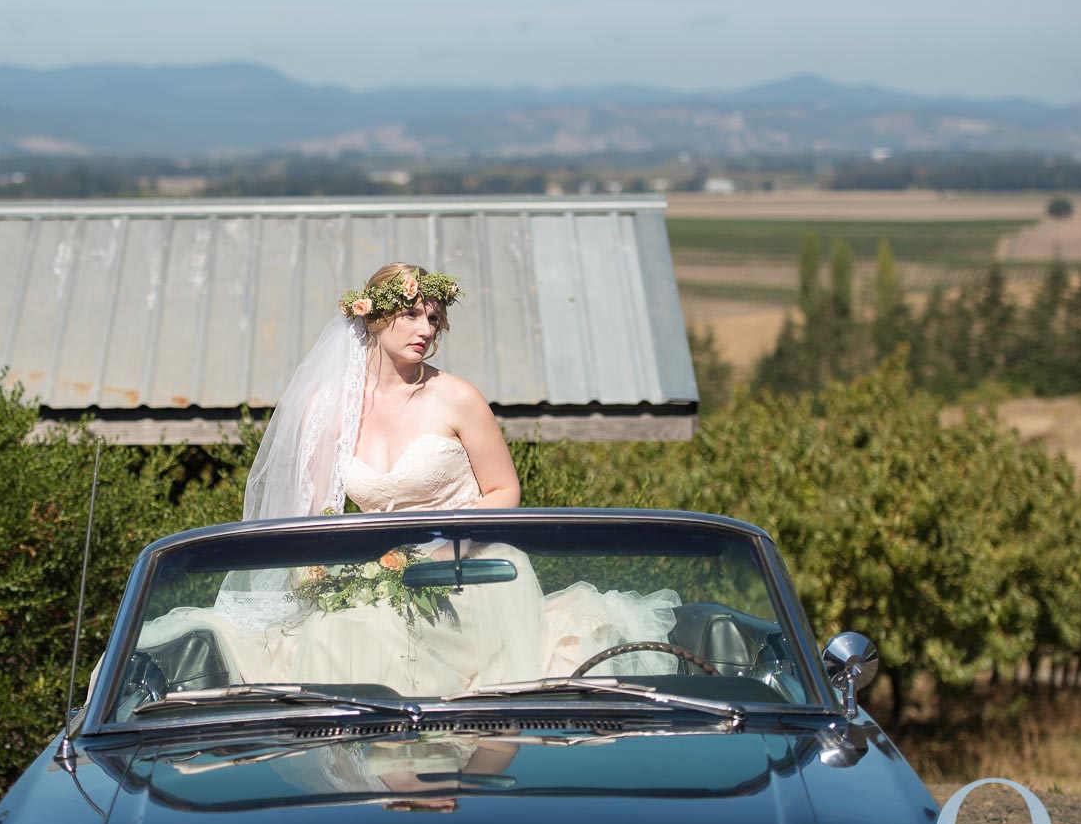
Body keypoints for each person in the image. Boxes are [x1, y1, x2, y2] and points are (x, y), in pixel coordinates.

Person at [139, 263, 678, 694]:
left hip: (470, 571)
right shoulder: (330, 408)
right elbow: (314, 510)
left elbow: (504, 491)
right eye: (413, 316)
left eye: (434, 319)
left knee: (374, 636)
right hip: (375, 573)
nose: (426, 330)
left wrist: (448, 545)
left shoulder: (457, 397)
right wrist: (320, 567)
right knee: (339, 630)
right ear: (374, 319)